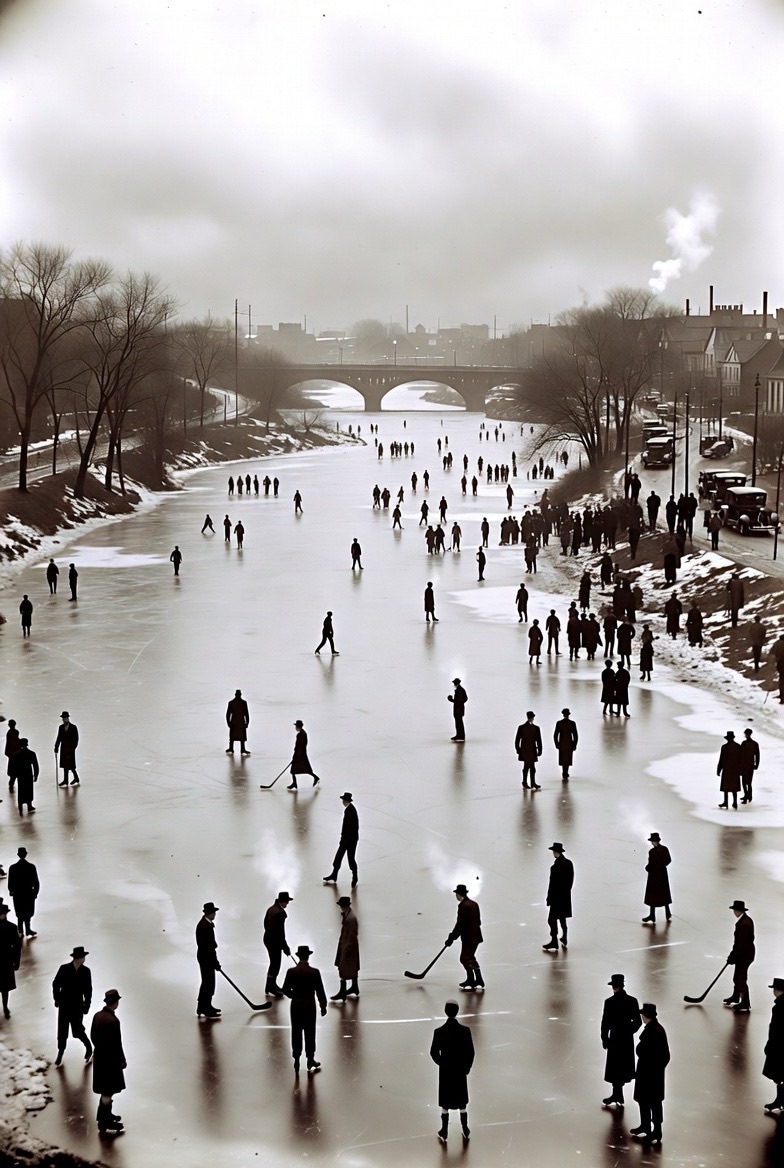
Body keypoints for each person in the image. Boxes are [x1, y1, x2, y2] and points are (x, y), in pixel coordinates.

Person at [431, 1000, 475, 1144]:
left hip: (446, 1071)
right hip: (460, 1070)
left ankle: (444, 1131)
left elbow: (433, 1052)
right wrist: (467, 1067)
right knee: (462, 1102)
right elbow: (471, 1052)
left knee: (445, 1103)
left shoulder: (439, 1031)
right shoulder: (465, 1031)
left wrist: (442, 1063)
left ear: (445, 1011)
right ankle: (465, 1128)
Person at [281, 944, 327, 1074]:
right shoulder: (314, 972)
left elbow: (284, 989)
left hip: (296, 1004)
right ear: (308, 956)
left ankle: (296, 1058)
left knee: (296, 1031)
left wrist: (293, 996)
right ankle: (310, 1058)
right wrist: (323, 1006)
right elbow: (320, 991)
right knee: (309, 1032)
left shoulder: (291, 972)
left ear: (298, 956)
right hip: (309, 1004)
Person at [630, 1003, 669, 1144]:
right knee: (645, 1101)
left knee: (652, 1102)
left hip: (650, 1075)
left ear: (646, 1016)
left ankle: (656, 1131)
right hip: (648, 1074)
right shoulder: (655, 1029)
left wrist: (654, 1069)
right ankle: (646, 1126)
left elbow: (663, 1056)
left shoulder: (655, 1032)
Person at [601, 973, 642, 1108]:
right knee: (622, 1067)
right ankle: (618, 1094)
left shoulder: (609, 1002)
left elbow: (605, 1022)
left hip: (614, 1038)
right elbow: (637, 1021)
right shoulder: (632, 1001)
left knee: (614, 1066)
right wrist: (629, 1031)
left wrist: (604, 1038)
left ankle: (617, 1094)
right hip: (625, 1039)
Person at [90, 989, 126, 1134]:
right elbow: (117, 1044)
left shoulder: (97, 1016)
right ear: (116, 1003)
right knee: (108, 1091)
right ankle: (104, 1121)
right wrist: (122, 1060)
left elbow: (93, 1036)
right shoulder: (113, 1021)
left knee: (106, 1090)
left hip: (99, 1057)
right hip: (110, 1061)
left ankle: (104, 1116)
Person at [53, 946, 93, 1065]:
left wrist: (87, 1005)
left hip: (77, 1005)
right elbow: (56, 983)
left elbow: (88, 990)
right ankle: (60, 1052)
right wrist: (57, 998)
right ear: (76, 958)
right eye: (82, 957)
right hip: (65, 1004)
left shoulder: (86, 971)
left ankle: (88, 1047)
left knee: (77, 1029)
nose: (84, 959)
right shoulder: (64, 968)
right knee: (62, 1030)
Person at [445, 884, 484, 990]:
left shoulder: (463, 906)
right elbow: (478, 921)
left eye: (456, 894)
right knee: (470, 957)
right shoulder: (474, 904)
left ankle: (472, 980)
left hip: (469, 937)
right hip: (476, 935)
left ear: (459, 894)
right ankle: (478, 979)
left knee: (465, 958)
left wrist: (451, 937)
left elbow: (460, 924)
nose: (456, 896)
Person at [323, 792, 359, 886]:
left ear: (346, 801)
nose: (342, 802)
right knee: (338, 858)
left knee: (351, 859)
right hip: (346, 840)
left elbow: (350, 828)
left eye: (343, 800)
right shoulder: (349, 809)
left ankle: (355, 877)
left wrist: (345, 840)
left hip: (350, 841)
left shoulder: (350, 811)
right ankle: (334, 875)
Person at [543, 842, 574, 951]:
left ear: (556, 852)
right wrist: (566, 892)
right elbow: (571, 880)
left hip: (556, 898)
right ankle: (564, 937)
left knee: (551, 919)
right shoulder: (569, 863)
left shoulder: (555, 867)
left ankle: (554, 941)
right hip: (565, 897)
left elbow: (552, 885)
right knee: (562, 918)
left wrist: (549, 898)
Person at [725, 899, 755, 1013]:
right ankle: (735, 996)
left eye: (734, 910)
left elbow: (741, 943)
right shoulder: (745, 920)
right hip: (744, 953)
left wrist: (733, 955)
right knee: (737, 976)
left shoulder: (744, 924)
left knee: (740, 978)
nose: (734, 912)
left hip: (745, 955)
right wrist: (734, 955)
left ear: (738, 910)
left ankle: (745, 1002)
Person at [263, 892, 293, 998]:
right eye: (287, 901)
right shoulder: (279, 913)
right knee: (275, 964)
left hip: (268, 938)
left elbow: (265, 924)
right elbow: (280, 933)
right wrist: (285, 947)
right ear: (283, 901)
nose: (288, 904)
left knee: (273, 963)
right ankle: (271, 986)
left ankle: (270, 985)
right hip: (274, 941)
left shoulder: (271, 909)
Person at [330, 896, 360, 1001]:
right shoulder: (348, 915)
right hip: (348, 945)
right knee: (352, 966)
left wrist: (347, 947)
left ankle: (343, 992)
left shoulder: (350, 919)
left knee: (343, 967)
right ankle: (354, 987)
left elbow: (352, 934)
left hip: (348, 946)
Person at [196, 902, 221, 1018]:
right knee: (208, 982)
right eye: (213, 912)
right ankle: (203, 1007)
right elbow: (208, 947)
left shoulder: (207, 924)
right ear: (209, 913)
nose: (215, 914)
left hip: (207, 957)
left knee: (209, 982)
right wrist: (214, 961)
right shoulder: (204, 926)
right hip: (206, 958)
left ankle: (206, 1005)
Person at [763, 978, 784, 1113]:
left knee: (778, 1074)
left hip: (779, 1046)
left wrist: (770, 1045)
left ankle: (780, 1100)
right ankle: (780, 1101)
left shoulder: (779, 1007)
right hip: (781, 1045)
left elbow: (776, 1029)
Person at [8, 847, 39, 937]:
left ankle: (20, 931)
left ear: (18, 855)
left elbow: (10, 882)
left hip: (18, 894)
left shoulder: (13, 868)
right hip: (28, 893)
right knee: (28, 912)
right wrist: (35, 893)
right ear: (26, 854)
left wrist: (11, 891)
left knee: (20, 912)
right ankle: (28, 929)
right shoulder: (31, 867)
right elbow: (36, 882)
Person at [641, 834, 672, 924]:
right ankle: (659, 914)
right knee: (659, 894)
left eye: (653, 841)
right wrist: (649, 867)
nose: (652, 842)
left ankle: (659, 914)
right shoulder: (656, 850)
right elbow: (667, 860)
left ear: (656, 841)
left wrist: (654, 867)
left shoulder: (657, 851)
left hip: (658, 875)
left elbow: (667, 860)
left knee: (657, 894)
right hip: (658, 875)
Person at [0, 902, 21, 1018]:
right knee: (5, 987)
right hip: (6, 960)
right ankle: (5, 1006)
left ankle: (5, 1006)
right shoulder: (11, 927)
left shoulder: (11, 927)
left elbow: (17, 947)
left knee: (4, 987)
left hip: (6, 960)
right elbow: (17, 947)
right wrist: (16, 962)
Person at [287, 719, 319, 789]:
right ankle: (294, 783)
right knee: (298, 770)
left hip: (300, 755)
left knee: (298, 770)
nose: (295, 727)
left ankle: (315, 777)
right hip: (301, 754)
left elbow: (300, 746)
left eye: (296, 726)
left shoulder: (301, 735)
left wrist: (296, 756)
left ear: (298, 726)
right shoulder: (302, 733)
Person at [515, 711, 542, 789]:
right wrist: (518, 749)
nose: (532, 719)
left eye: (532, 717)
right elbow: (517, 740)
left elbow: (539, 740)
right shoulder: (521, 727)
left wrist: (540, 750)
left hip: (533, 750)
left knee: (532, 767)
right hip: (525, 750)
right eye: (531, 717)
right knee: (526, 767)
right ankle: (525, 782)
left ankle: (532, 782)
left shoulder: (536, 728)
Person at [12, 737, 39, 813]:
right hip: (28, 774)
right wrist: (36, 774)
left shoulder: (16, 755)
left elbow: (14, 766)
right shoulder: (31, 753)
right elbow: (35, 765)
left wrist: (14, 775)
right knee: (29, 789)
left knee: (21, 790)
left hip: (20, 775)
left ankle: (20, 805)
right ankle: (29, 805)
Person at [717, 731, 742, 809]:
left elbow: (721, 759)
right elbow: (741, 759)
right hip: (735, 769)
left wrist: (719, 769)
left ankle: (726, 802)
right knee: (734, 787)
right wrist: (741, 770)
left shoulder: (724, 747)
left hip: (727, 769)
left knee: (726, 787)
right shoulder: (738, 746)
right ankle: (734, 802)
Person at [55, 711, 80, 786]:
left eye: (65, 718)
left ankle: (76, 778)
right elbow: (59, 738)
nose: (64, 720)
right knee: (65, 765)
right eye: (63, 718)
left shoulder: (73, 727)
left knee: (71, 765)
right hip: (63, 748)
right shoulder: (61, 727)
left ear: (68, 718)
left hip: (70, 749)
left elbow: (76, 739)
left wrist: (73, 748)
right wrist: (56, 747)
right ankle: (66, 780)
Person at [553, 708, 578, 779]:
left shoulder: (559, 723)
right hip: (569, 742)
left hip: (562, 743)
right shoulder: (572, 723)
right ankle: (566, 772)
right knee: (568, 758)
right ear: (568, 715)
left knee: (563, 758)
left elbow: (555, 735)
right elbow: (575, 735)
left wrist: (557, 743)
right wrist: (575, 744)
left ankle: (564, 772)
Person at [225, 689, 250, 755]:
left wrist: (228, 722)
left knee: (233, 736)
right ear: (240, 695)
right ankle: (242, 749)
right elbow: (246, 714)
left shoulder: (231, 703)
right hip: (240, 722)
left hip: (234, 722)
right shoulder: (243, 703)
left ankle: (231, 748)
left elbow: (228, 714)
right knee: (241, 737)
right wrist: (247, 722)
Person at [739, 728, 760, 804]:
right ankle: (748, 795)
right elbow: (757, 756)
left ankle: (747, 796)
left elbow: (757, 756)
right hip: (748, 765)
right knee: (747, 782)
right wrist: (756, 764)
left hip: (746, 765)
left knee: (746, 782)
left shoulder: (745, 743)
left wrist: (756, 765)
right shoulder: (754, 744)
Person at [5, 719, 20, 791]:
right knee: (16, 768)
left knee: (12, 768)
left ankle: (12, 782)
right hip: (15, 753)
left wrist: (7, 752)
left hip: (11, 753)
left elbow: (8, 743)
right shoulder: (16, 732)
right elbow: (16, 742)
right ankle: (13, 781)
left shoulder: (9, 732)